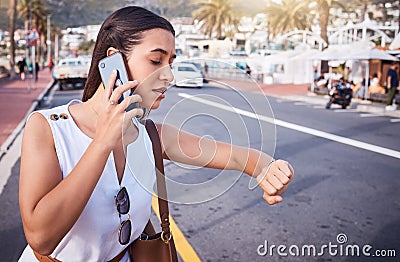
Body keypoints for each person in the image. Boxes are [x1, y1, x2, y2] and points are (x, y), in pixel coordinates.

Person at [18, 6, 294, 261]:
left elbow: (233, 157)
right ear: (115, 61)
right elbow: (41, 238)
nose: (169, 76)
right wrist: (103, 142)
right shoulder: (48, 127)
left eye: (171, 62)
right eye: (155, 60)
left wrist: (266, 168)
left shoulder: (151, 136)